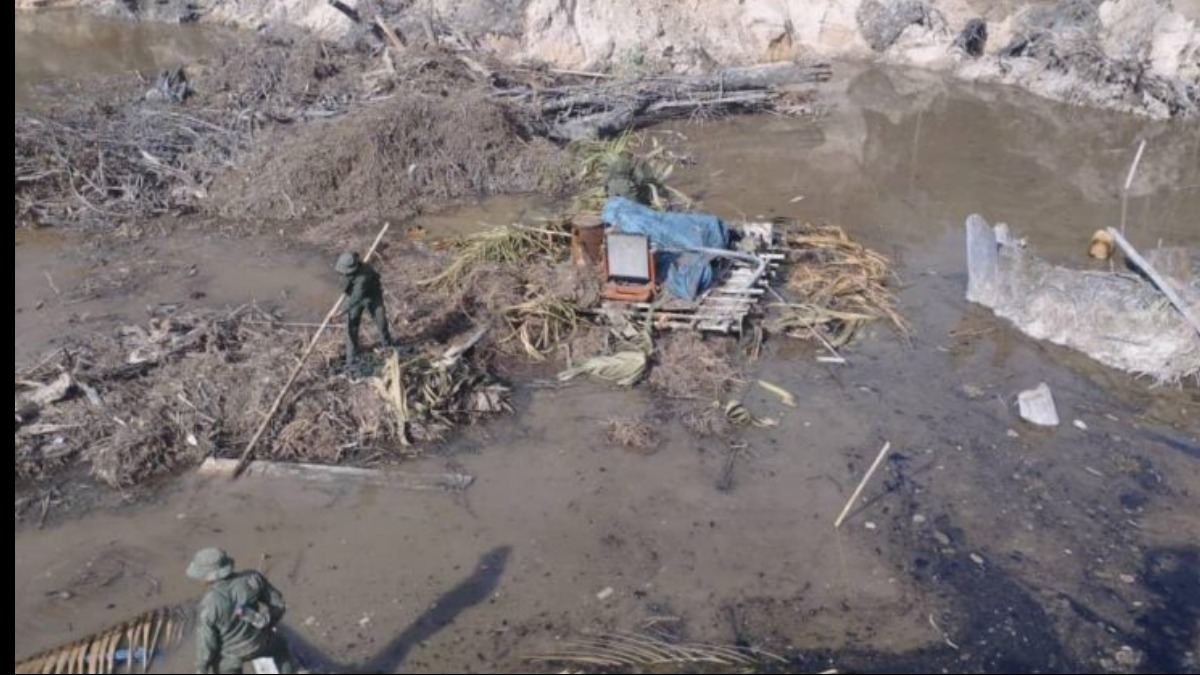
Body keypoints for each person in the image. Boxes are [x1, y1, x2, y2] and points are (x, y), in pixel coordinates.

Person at [188, 547, 295, 674]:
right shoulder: (253, 579)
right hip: (258, 641)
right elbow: (279, 605)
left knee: (222, 666)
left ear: (207, 577)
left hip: (230, 654)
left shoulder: (207, 606)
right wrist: (266, 622)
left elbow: (207, 645)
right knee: (280, 647)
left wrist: (201, 667)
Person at [335, 251, 396, 367]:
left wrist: (341, 312)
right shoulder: (346, 271)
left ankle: (388, 346)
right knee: (351, 326)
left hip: (372, 297)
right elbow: (347, 290)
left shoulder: (365, 275)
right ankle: (351, 359)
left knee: (381, 321)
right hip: (354, 297)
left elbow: (356, 297)